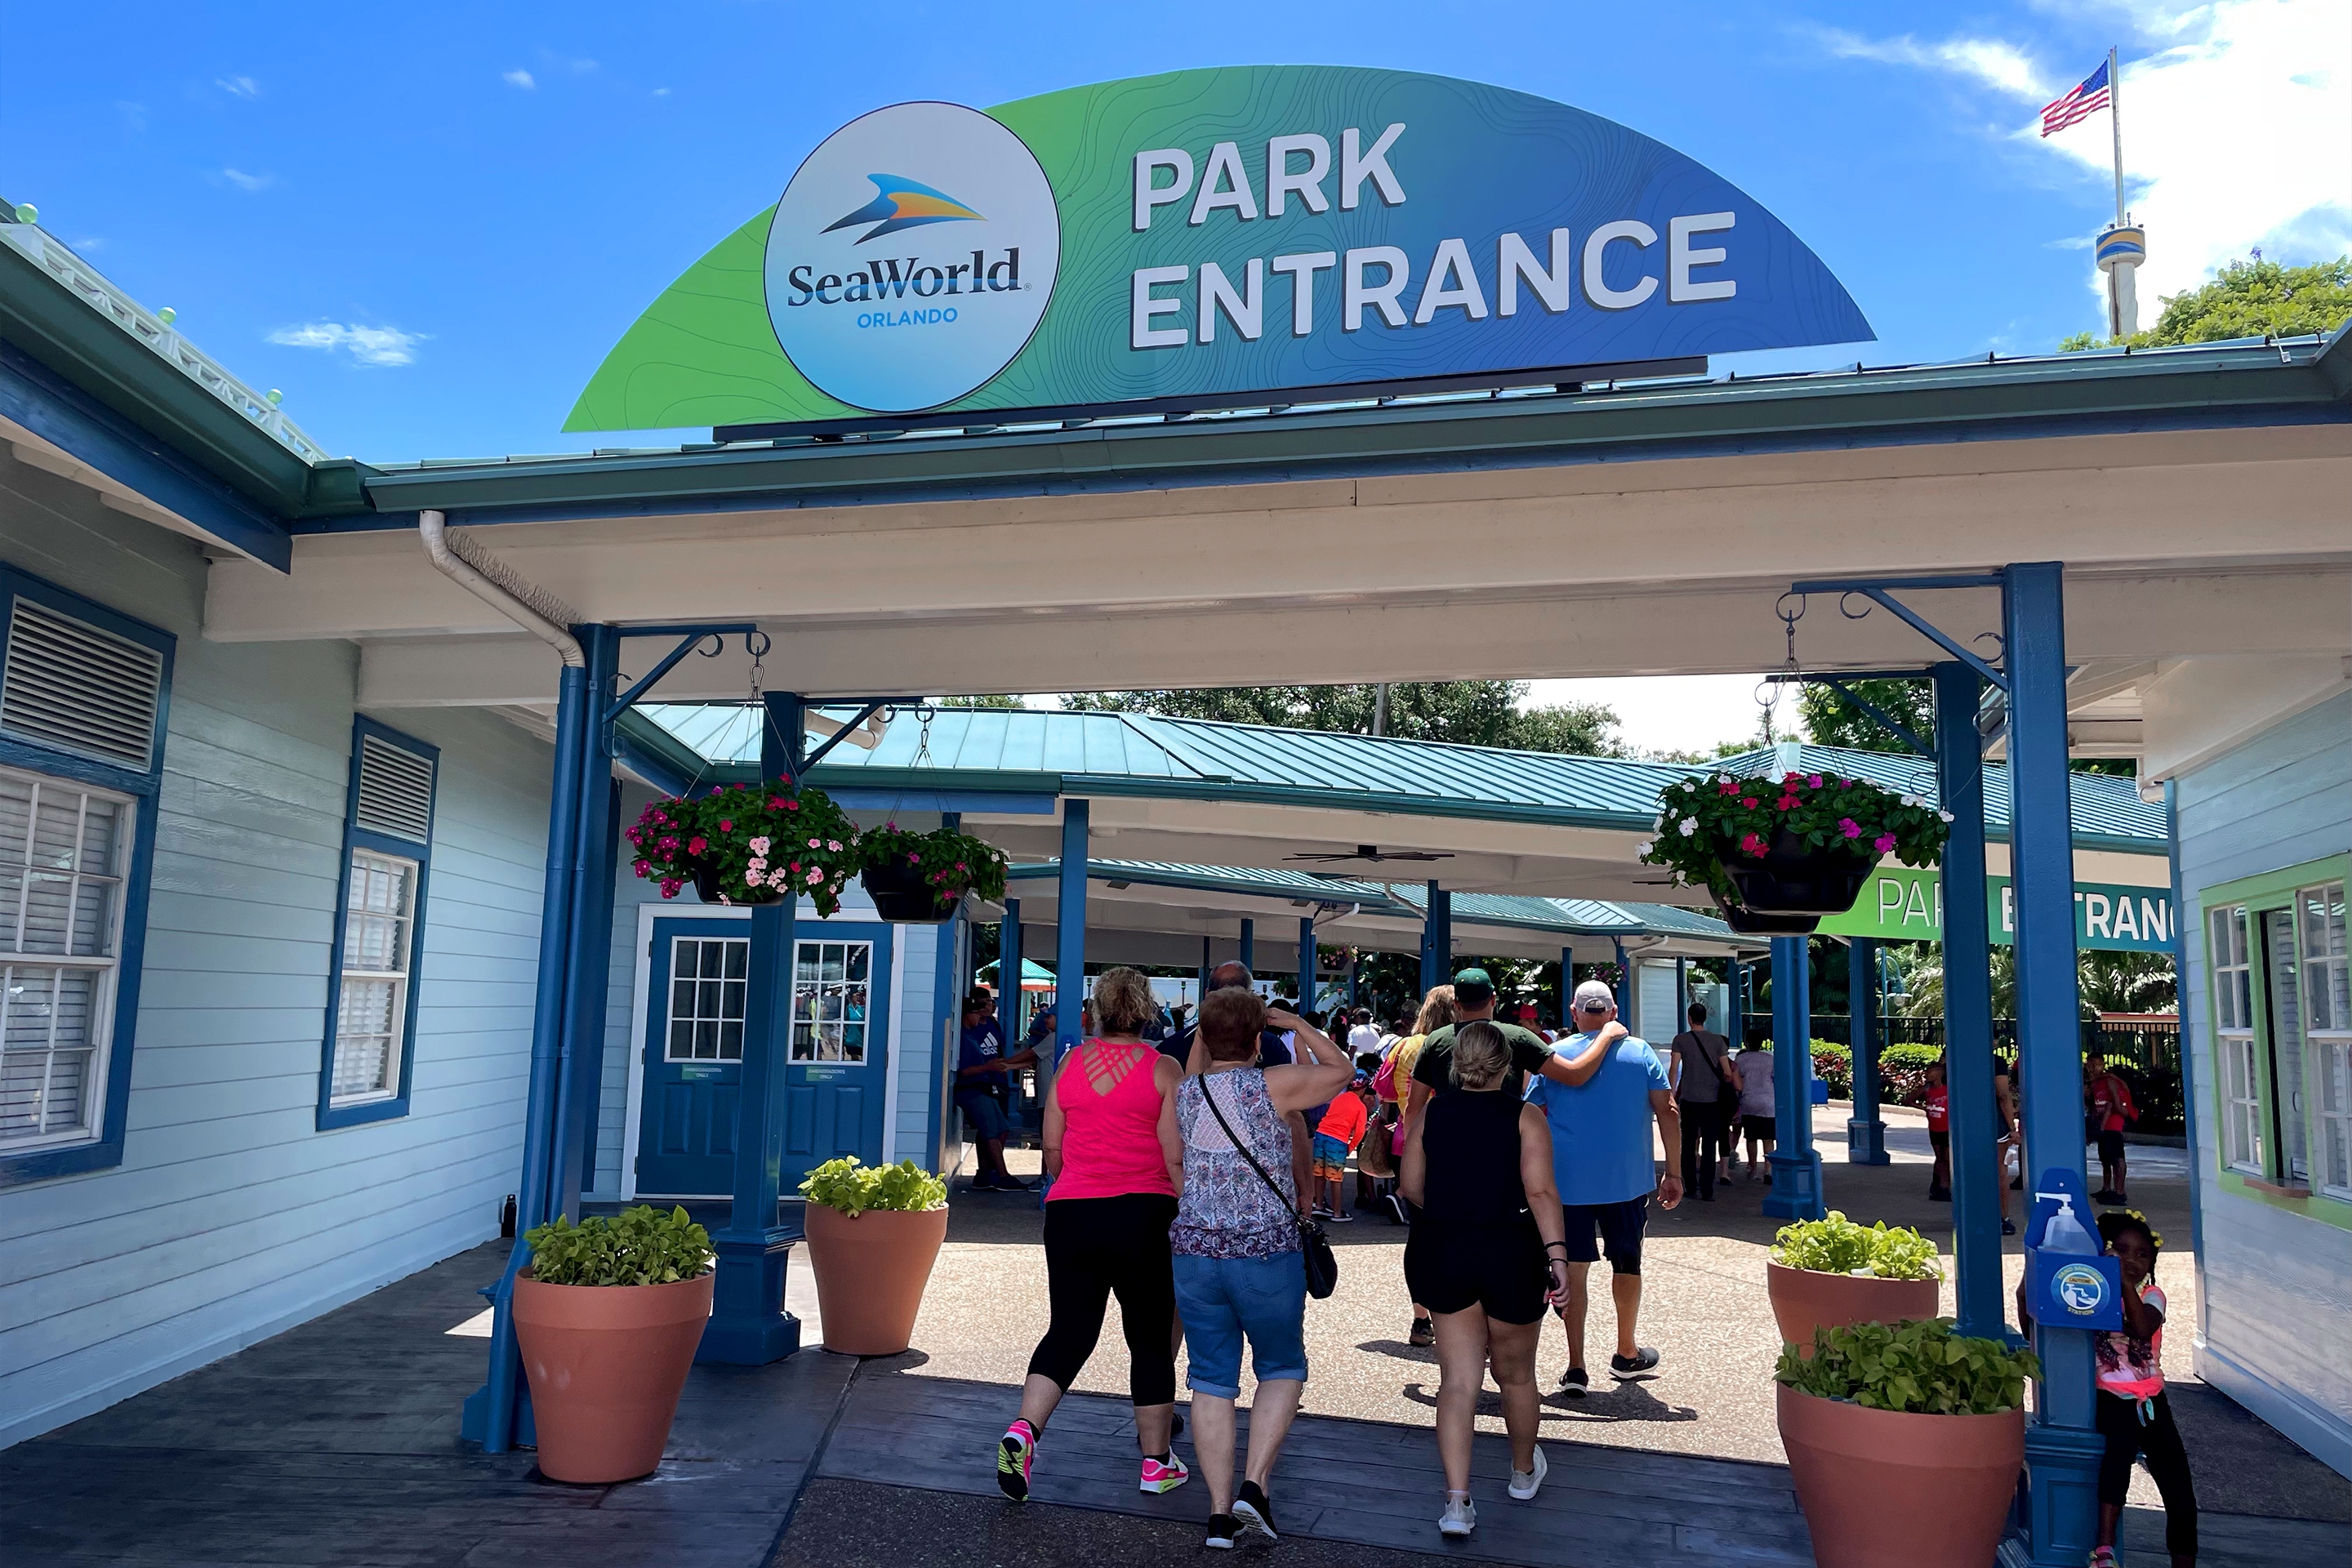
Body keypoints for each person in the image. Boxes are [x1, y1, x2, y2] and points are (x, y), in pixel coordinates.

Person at [1169, 987, 1354, 1549]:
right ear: (1257, 1039)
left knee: (1210, 1380)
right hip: (1265, 1253)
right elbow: (1341, 1069)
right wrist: (1295, 1022)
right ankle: (1256, 1485)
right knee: (1279, 1366)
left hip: (1196, 1255)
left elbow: (1205, 1058)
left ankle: (1220, 1515)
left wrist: (1212, 1028)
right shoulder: (1273, 1086)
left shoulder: (1185, 1093)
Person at [998, 969, 1190, 1502]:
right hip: (1145, 1215)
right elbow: (1174, 1155)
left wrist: (1080, 1182)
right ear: (1148, 1010)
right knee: (1149, 1338)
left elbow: (1052, 1150)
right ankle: (1156, 1464)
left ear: (1097, 1010)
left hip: (1072, 1213)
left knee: (1070, 1332)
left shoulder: (1069, 1064)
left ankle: (1023, 1431)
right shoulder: (1163, 1068)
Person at [1399, 1022, 1574, 1538]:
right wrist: (1558, 1259)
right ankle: (1522, 1473)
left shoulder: (1433, 1113)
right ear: (1508, 1066)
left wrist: (1456, 1212)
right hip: (1512, 1252)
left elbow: (1410, 1185)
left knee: (1458, 1381)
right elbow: (1542, 1193)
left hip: (1448, 1248)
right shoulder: (1526, 1117)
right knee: (1517, 1376)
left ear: (1456, 1064)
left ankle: (1457, 1502)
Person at [1406, 970, 1619, 1347]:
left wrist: (1421, 1157)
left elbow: (1414, 1106)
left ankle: (1430, 1319)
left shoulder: (1436, 1041)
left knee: (1457, 1369)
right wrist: (1606, 1034)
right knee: (1516, 1366)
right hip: (1507, 1173)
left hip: (1449, 1181)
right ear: (1493, 1000)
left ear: (1456, 1005)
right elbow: (1573, 1075)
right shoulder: (1517, 1037)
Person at [1524, 980, 1683, 1395]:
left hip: (1568, 1183)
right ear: (1613, 1012)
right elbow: (1667, 1110)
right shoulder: (1640, 1052)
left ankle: (1575, 1365)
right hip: (1626, 1181)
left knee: (1572, 1271)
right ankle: (1626, 1352)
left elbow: (1531, 1110)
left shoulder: (1555, 1055)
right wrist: (1675, 1171)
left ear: (1574, 1012)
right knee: (1627, 1264)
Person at [2018, 1209, 2197, 1568]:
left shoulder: (2152, 1294)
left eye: (2142, 1254)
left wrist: (2123, 1283)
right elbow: (2034, 1324)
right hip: (2110, 1396)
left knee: (2179, 1489)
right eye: (2122, 1250)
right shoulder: (2090, 1293)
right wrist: (2029, 1282)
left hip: (2151, 1400)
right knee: (2118, 1458)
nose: (2131, 1260)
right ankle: (2104, 1550)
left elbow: (2143, 1327)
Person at [1163, 961, 1313, 1209]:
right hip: (1260, 1196)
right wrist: (1305, 1187)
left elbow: (1168, 1135)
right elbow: (1294, 1120)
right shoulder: (1270, 1046)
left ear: (1207, 996)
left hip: (1192, 1191)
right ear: (1250, 997)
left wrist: (1185, 1195)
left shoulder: (1171, 1049)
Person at [956, 991, 1039, 1191]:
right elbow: (963, 1071)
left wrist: (1002, 1068)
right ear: (967, 1014)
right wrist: (988, 1068)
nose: (981, 1014)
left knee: (1001, 1128)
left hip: (989, 1084)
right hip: (972, 1089)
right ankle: (1001, 1175)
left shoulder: (985, 1028)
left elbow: (999, 1051)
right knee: (991, 1130)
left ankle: (987, 1173)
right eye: (976, 1011)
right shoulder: (963, 1037)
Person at [1667, 1002, 1736, 1201]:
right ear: (1705, 1018)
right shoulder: (1717, 1041)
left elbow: (1674, 1068)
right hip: (1712, 1100)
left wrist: (1672, 1093)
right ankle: (1708, 1190)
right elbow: (1727, 1071)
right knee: (1709, 1145)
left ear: (1689, 1018)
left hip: (1689, 1098)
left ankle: (1690, 1187)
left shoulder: (1680, 1040)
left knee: (1688, 1144)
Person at [1311, 1073, 1371, 1221]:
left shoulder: (1338, 1098)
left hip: (1320, 1135)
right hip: (1337, 1140)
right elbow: (1360, 1131)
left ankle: (1318, 1205)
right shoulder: (1360, 1106)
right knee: (1335, 1178)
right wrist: (1350, 1147)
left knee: (1319, 1173)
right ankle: (1337, 1213)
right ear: (1363, 1089)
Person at [2087, 1058, 2139, 1205]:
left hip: (2113, 1124)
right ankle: (2107, 1188)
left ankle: (2119, 1192)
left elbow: (2115, 1102)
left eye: (2096, 1064)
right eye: (2090, 1064)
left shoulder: (2109, 1080)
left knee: (2117, 1158)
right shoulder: (2096, 1082)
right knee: (2106, 1158)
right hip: (2104, 1122)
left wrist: (2113, 1113)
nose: (2092, 1067)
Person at [1731, 1037, 1775, 1183]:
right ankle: (1768, 1170)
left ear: (1746, 1042)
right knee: (1768, 1138)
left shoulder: (1741, 1059)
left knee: (1751, 1138)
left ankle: (1753, 1168)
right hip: (1768, 1102)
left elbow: (1736, 1081)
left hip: (1749, 1101)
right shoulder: (1770, 1059)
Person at [1923, 1058, 1952, 1202]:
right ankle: (1939, 1186)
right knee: (1940, 1158)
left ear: (1940, 1073)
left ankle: (1945, 1187)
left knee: (1946, 1158)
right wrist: (1925, 1109)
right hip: (1934, 1129)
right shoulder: (1927, 1090)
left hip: (1946, 1129)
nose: (1927, 1073)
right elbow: (1908, 1100)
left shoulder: (1948, 1090)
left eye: (1931, 1071)